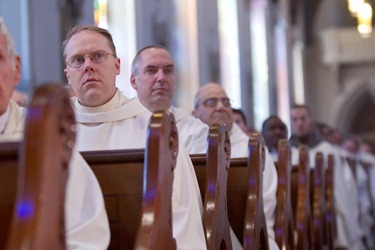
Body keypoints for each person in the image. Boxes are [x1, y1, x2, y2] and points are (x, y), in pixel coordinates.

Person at [62, 25, 206, 249]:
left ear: (117, 65)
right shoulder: (53, 133)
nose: (88, 65)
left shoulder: (155, 131)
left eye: (98, 56)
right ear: (68, 75)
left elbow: (182, 216)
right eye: (78, 60)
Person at [0, 16, 110, 249]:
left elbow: (87, 237)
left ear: (16, 68)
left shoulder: (49, 141)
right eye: (78, 60)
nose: (88, 65)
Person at [193, 82, 279, 250]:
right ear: (195, 113)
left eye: (226, 102)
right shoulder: (188, 147)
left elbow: (267, 198)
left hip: (250, 236)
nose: (220, 107)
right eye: (211, 102)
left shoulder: (252, 148)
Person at [290, 104, 364, 249]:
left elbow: (339, 190)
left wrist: (346, 220)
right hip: (295, 215)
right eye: (295, 119)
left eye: (303, 118)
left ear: (310, 120)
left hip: (325, 214)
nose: (299, 123)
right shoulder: (287, 151)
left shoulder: (327, 150)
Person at [129, 44, 209, 154]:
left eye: (168, 71)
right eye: (151, 71)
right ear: (133, 81)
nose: (161, 78)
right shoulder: (120, 125)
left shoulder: (196, 131)